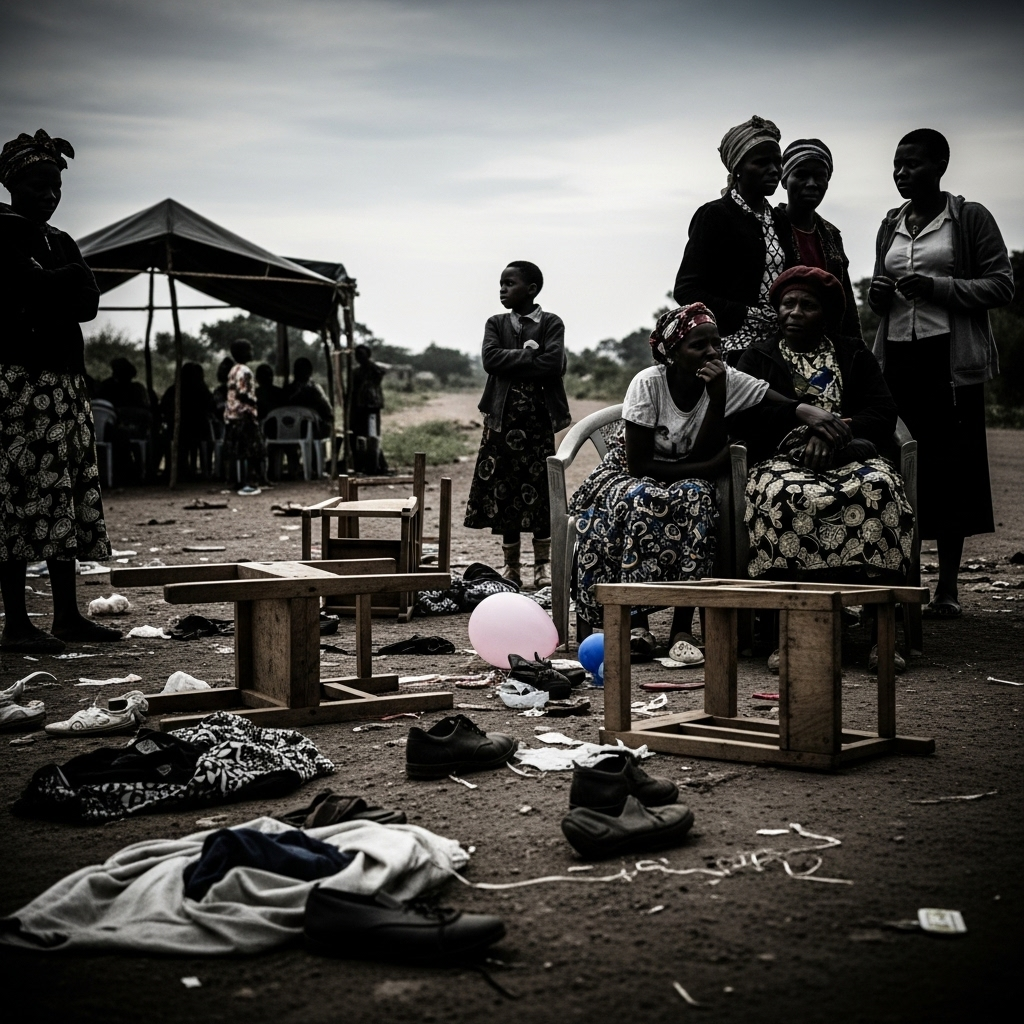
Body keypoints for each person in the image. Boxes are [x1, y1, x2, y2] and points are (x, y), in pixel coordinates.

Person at [570, 302, 845, 643]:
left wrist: (811, 415)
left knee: (698, 498)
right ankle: (636, 622)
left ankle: (682, 629)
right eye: (698, 345)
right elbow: (640, 466)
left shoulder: (726, 379)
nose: (712, 352)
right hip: (627, 473)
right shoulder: (648, 383)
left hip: (689, 476)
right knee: (643, 497)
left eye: (716, 342)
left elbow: (778, 402)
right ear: (672, 353)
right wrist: (712, 465)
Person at [868, 128, 1014, 619]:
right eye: (896, 165)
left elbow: (1000, 285)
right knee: (896, 467)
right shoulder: (891, 223)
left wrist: (937, 288)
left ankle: (946, 588)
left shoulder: (969, 219)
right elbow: (876, 299)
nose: (901, 173)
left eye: (911, 164)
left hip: (950, 365)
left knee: (952, 473)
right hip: (897, 362)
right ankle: (899, 582)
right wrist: (879, 297)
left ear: (941, 166)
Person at [0, 128, 121, 652]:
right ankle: (17, 624)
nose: (49, 196)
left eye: (55, 187)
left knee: (61, 499)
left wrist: (61, 278)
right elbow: (26, 290)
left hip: (65, 386)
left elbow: (87, 303)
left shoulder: (58, 242)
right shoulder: (2, 234)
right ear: (12, 185)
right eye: (38, 185)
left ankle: (68, 615)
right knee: (20, 500)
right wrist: (66, 279)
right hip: (21, 387)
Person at [465, 261, 570, 588]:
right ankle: (511, 569)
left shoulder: (551, 323)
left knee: (540, 490)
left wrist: (513, 362)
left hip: (538, 423)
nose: (502, 289)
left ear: (532, 289)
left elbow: (554, 365)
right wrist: (529, 356)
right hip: (501, 422)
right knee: (504, 489)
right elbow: (489, 360)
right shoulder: (495, 323)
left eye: (509, 283)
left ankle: (541, 567)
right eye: (501, 283)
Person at [673, 115, 786, 360]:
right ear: (737, 170)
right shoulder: (715, 215)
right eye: (762, 162)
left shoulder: (779, 220)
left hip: (778, 350)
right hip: (732, 349)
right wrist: (746, 314)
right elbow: (686, 290)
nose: (774, 170)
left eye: (778, 162)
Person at [774, 139, 863, 346]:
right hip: (778, 347)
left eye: (820, 176)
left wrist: (854, 349)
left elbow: (845, 301)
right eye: (802, 175)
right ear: (784, 180)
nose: (812, 183)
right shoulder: (769, 226)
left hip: (826, 346)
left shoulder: (831, 235)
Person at [221, 339, 266, 494]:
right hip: (244, 414)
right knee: (252, 450)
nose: (252, 352)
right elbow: (243, 393)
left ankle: (234, 482)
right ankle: (250, 482)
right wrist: (254, 402)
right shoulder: (245, 371)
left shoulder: (233, 370)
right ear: (243, 352)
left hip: (232, 414)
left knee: (236, 451)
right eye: (249, 350)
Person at [97, 356, 152, 482]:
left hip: (122, 430)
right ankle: (132, 471)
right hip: (110, 430)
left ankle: (136, 470)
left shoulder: (134, 389)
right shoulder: (108, 387)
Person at [160, 361, 217, 479]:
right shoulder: (201, 391)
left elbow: (163, 408)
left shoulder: (175, 390)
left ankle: (183, 469)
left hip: (192, 429)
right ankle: (195, 469)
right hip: (192, 429)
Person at [349, 344, 387, 474]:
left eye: (362, 354)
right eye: (357, 354)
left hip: (372, 408)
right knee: (358, 437)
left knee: (372, 437)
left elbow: (381, 372)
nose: (359, 357)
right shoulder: (356, 372)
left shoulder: (374, 371)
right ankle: (361, 465)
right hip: (358, 408)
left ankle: (375, 466)